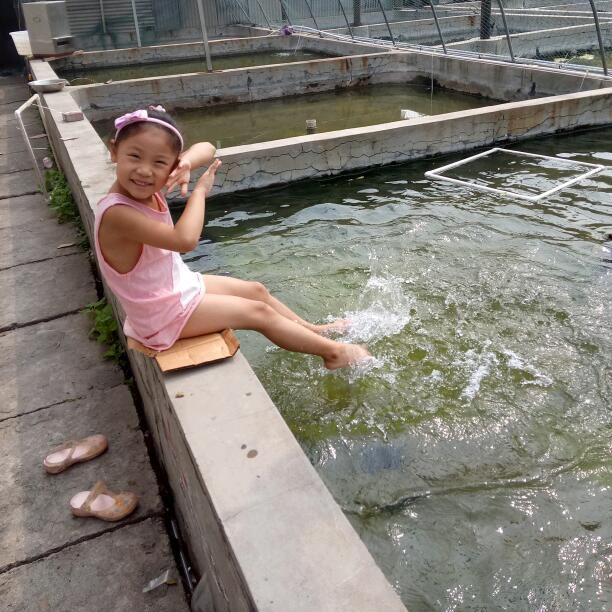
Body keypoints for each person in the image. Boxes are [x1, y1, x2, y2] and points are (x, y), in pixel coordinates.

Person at [94, 105, 370, 369]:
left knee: (256, 291)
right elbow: (185, 240)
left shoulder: (148, 182)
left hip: (174, 287)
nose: (144, 170)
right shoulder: (118, 213)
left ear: (171, 165)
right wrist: (199, 192)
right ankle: (334, 353)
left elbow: (208, 148)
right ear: (114, 151)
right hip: (160, 317)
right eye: (135, 157)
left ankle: (313, 330)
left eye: (159, 162)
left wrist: (186, 163)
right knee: (258, 313)